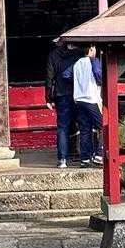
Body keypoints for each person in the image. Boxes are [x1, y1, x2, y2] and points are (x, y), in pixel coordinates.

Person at [46, 38, 82, 168]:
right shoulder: (81, 54)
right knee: (83, 125)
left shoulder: (53, 55)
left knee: (62, 127)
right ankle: (84, 156)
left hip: (61, 94)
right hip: (79, 93)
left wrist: (48, 98)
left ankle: (62, 159)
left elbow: (49, 76)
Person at [69, 44, 105, 166]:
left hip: (79, 99)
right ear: (91, 49)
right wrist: (101, 82)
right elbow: (98, 74)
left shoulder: (77, 63)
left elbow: (68, 76)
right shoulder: (93, 61)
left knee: (84, 129)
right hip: (91, 98)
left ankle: (85, 158)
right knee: (104, 126)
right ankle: (99, 154)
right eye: (94, 48)